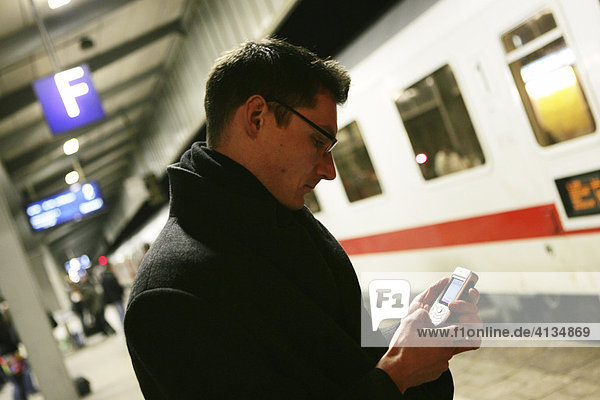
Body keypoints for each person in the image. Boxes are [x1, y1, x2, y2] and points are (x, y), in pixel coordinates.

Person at [124, 38, 481, 399]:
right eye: (317, 141)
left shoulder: (283, 223)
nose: (329, 171)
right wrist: (397, 373)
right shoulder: (169, 295)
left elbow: (346, 361)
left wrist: (411, 341)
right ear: (256, 117)